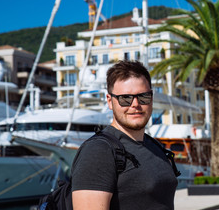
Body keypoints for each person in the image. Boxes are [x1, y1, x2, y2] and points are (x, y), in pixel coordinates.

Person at [71, 60, 178, 209]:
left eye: (143, 97)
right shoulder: (98, 152)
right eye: (125, 98)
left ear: (151, 98)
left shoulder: (154, 146)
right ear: (110, 101)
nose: (135, 104)